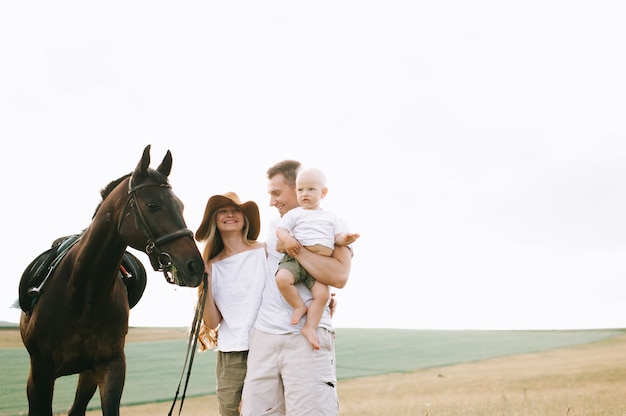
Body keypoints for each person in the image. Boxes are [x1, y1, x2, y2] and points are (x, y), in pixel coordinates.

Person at [241, 160, 353, 416]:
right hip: (264, 337)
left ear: (299, 189)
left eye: (277, 193)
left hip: (305, 339)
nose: (271, 202)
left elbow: (339, 276)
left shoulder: (330, 224)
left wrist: (296, 248)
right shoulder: (275, 227)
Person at [195, 192, 269, 416]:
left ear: (245, 218)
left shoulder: (264, 251)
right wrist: (205, 280)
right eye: (223, 211)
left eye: (236, 210)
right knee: (229, 411)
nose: (230, 214)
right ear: (214, 221)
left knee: (268, 409)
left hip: (266, 344)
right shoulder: (211, 265)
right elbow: (212, 321)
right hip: (231, 351)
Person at [275, 167, 359, 350]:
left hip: (318, 268)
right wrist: (288, 240)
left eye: (311, 189)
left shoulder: (331, 218)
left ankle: (310, 327)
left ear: (324, 192)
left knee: (323, 295)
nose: (304, 194)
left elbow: (337, 238)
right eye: (300, 190)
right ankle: (298, 306)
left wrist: (347, 239)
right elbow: (281, 232)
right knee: (282, 279)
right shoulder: (295, 214)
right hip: (295, 262)